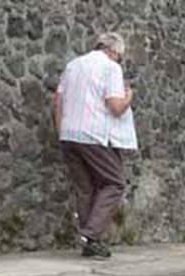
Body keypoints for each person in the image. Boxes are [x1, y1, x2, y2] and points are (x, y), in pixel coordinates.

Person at [53, 32, 137, 260]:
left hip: (69, 134)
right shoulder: (110, 68)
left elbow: (58, 101)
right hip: (94, 135)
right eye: (120, 57)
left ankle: (91, 244)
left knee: (85, 187)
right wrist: (129, 95)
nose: (119, 61)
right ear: (114, 52)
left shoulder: (73, 65)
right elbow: (115, 107)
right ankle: (90, 234)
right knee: (114, 182)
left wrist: (62, 132)